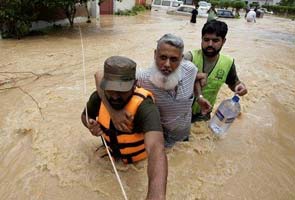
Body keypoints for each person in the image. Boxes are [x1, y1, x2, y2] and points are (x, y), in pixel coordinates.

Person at [96, 34, 211, 148]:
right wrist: (114, 113)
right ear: (155, 54)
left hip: (184, 138)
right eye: (163, 57)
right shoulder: (142, 78)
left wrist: (199, 97)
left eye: (173, 59)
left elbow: (196, 78)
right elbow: (99, 75)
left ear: (181, 59)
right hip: (159, 143)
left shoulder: (190, 69)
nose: (167, 64)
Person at [81, 56, 167, 199]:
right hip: (108, 158)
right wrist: (90, 125)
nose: (114, 96)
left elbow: (156, 148)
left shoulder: (145, 107)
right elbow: (84, 116)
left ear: (134, 84)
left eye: (121, 90)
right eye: (110, 89)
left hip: (137, 164)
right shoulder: (99, 97)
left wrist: (156, 195)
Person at [184, 20, 248, 122]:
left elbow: (233, 83)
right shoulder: (189, 57)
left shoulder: (228, 62)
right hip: (181, 113)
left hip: (204, 114)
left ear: (223, 41)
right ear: (201, 39)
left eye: (215, 40)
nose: (210, 44)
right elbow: (172, 80)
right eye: (206, 39)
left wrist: (239, 86)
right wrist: (197, 76)